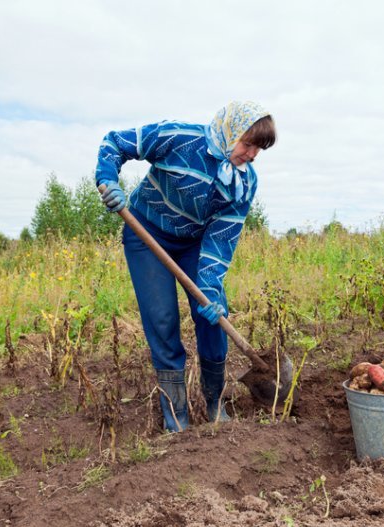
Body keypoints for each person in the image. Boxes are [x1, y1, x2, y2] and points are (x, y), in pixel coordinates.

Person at [94, 101, 276, 432]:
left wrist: (209, 288)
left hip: (194, 243)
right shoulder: (178, 138)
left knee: (213, 316)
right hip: (146, 235)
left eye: (258, 148)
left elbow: (221, 238)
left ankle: (214, 403)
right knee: (162, 320)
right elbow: (116, 142)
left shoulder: (243, 183)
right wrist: (108, 179)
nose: (252, 155)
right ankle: (175, 416)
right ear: (229, 132)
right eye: (247, 143)